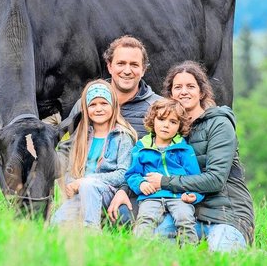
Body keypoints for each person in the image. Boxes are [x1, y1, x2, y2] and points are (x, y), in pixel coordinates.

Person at [108, 60, 255, 252]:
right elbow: (146, 161)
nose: (183, 91)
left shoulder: (219, 124)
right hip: (184, 212)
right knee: (151, 250)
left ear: (201, 92)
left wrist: (164, 182)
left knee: (221, 254)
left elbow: (216, 179)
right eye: (177, 87)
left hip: (225, 213)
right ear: (170, 95)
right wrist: (124, 190)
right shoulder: (168, 128)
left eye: (190, 86)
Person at [57, 35, 161, 225]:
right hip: (85, 187)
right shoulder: (86, 103)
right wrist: (68, 184)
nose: (127, 70)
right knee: (60, 224)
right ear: (109, 66)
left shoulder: (157, 108)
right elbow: (67, 148)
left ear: (144, 69)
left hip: (137, 190)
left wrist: (125, 190)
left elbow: (164, 158)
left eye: (134, 64)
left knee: (121, 220)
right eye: (121, 63)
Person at [51, 80, 137, 229]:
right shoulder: (82, 136)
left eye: (104, 103)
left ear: (113, 105)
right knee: (56, 223)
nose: (98, 109)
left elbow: (123, 173)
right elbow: (73, 168)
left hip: (108, 191)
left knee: (89, 185)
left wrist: (86, 181)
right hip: (81, 192)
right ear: (86, 109)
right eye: (93, 104)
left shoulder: (122, 136)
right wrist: (71, 184)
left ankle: (91, 230)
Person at [125, 98, 203, 244]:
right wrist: (141, 184)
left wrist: (194, 196)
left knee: (185, 219)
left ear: (180, 126)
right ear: (153, 120)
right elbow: (132, 174)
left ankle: (191, 252)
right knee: (145, 220)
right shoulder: (141, 147)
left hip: (179, 197)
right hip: (151, 197)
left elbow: (195, 178)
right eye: (161, 119)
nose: (166, 125)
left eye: (173, 122)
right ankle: (139, 251)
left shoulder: (184, 149)